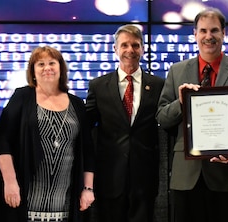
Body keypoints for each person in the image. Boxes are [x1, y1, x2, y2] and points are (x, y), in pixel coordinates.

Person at [156, 8, 228, 222]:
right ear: (194, 34)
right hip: (186, 175)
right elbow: (162, 118)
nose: (208, 36)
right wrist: (181, 101)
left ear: (223, 34)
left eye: (214, 30)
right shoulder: (177, 71)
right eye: (203, 31)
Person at [0, 46, 95, 222]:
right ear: (33, 71)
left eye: (52, 63)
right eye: (40, 64)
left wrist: (88, 189)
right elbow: (4, 142)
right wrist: (10, 183)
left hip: (66, 202)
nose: (47, 68)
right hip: (26, 199)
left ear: (61, 68)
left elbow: (87, 150)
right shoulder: (22, 97)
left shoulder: (77, 104)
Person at [85, 24, 164, 222]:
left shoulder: (158, 85)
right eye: (125, 45)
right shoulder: (98, 86)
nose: (130, 50)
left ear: (143, 49)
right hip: (109, 176)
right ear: (115, 49)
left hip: (145, 177)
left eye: (136, 45)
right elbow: (85, 123)